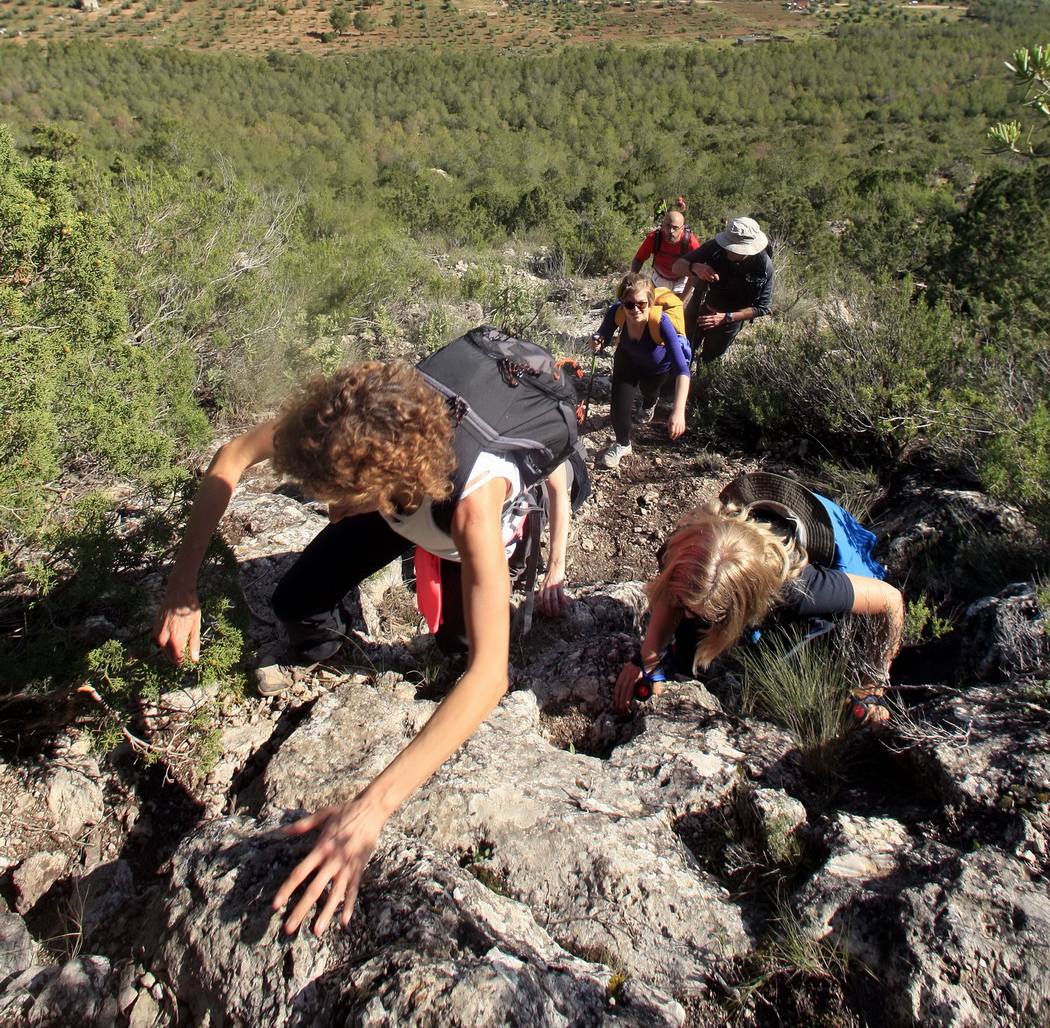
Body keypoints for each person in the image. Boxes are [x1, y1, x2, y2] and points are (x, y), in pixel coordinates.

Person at [153, 358, 575, 937]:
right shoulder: (347, 424)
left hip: (454, 523)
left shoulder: (474, 509)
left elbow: (489, 677)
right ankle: (338, 648)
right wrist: (182, 588)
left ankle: (447, 588)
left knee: (457, 649)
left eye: (337, 496)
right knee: (295, 603)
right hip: (401, 499)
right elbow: (232, 456)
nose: (327, 510)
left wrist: (370, 810)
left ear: (380, 478)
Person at [613, 483, 904, 723]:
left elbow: (891, 601)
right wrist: (648, 656)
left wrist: (873, 682)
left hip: (829, 537)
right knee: (688, 645)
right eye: (687, 605)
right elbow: (671, 596)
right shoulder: (684, 547)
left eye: (707, 613)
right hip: (762, 525)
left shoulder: (800, 590)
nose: (686, 614)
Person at [590, 272, 691, 470]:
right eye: (629, 304)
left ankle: (649, 404)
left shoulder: (662, 323)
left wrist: (678, 411)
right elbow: (603, 334)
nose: (635, 309)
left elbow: (682, 370)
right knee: (619, 409)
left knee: (649, 391)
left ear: (650, 302)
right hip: (627, 360)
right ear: (622, 302)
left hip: (657, 368)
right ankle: (622, 444)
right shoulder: (617, 312)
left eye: (641, 304)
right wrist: (597, 340)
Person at [674, 215, 773, 363]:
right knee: (681, 351)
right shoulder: (715, 247)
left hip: (728, 323)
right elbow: (677, 266)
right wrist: (695, 267)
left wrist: (726, 317)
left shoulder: (763, 267)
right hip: (699, 308)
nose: (728, 249)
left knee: (710, 361)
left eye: (734, 248)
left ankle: (699, 385)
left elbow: (763, 307)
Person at [631, 200, 701, 298]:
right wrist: (632, 279)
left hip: (681, 282)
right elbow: (639, 259)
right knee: (655, 309)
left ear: (682, 228)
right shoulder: (654, 238)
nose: (670, 231)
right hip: (659, 279)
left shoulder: (691, 243)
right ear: (663, 225)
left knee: (675, 310)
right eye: (668, 226)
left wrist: (682, 300)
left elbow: (695, 274)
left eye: (675, 228)